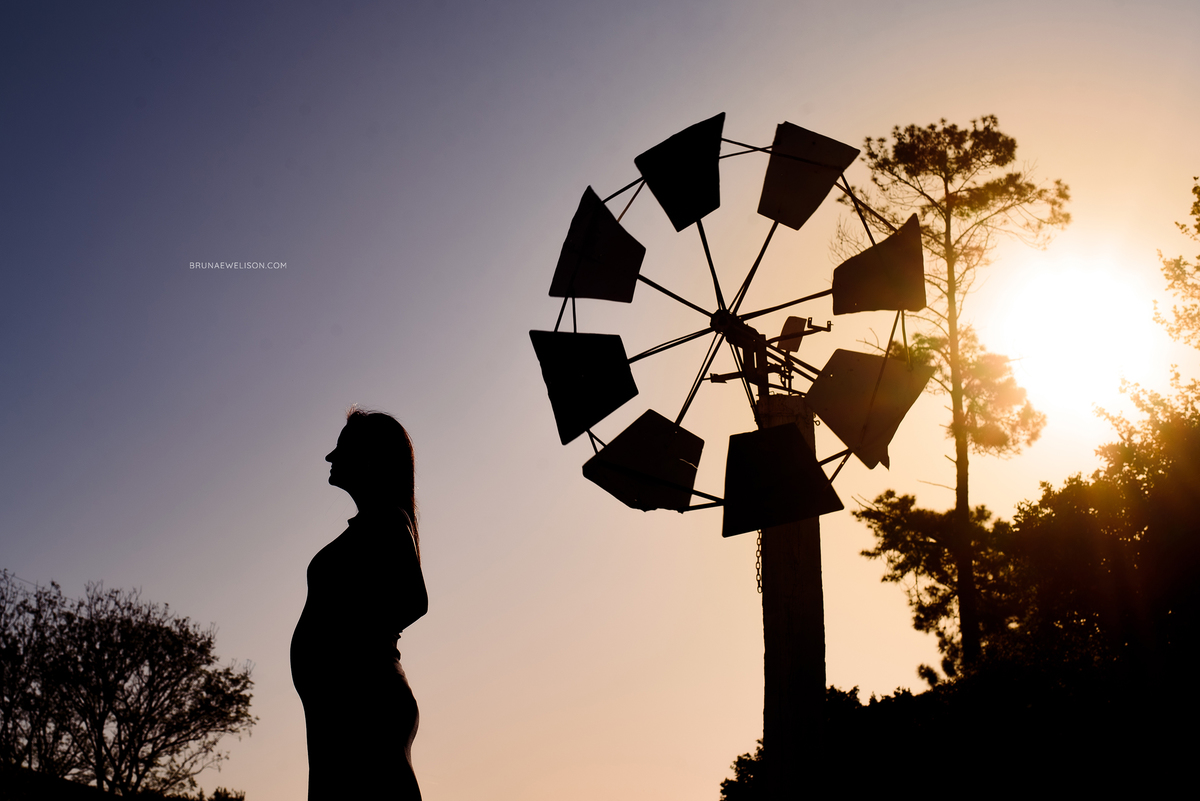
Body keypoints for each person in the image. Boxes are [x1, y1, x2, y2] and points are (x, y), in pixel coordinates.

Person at [291, 408, 428, 800]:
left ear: (370, 458)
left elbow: (412, 600)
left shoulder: (387, 521)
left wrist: (342, 650)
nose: (331, 458)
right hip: (342, 705)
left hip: (364, 704)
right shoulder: (370, 525)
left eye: (341, 449)